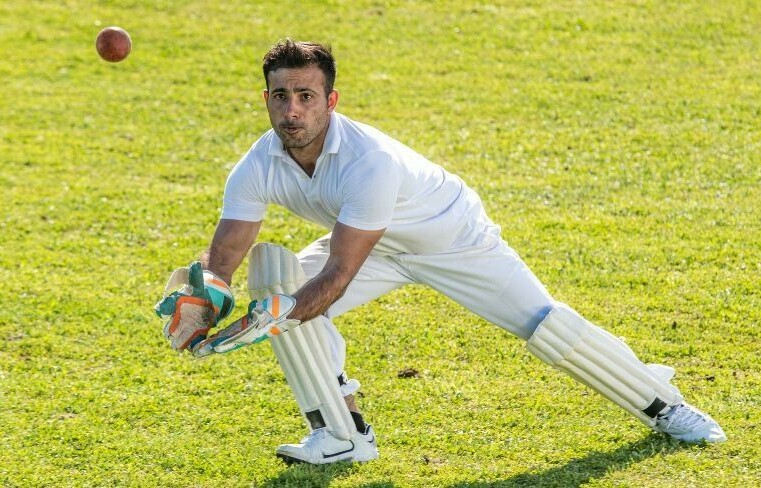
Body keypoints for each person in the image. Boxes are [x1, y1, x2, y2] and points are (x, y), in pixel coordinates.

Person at [156, 39, 726, 465]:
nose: (292, 111)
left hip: (451, 239)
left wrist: (272, 319)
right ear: (267, 99)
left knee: (545, 327)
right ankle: (341, 432)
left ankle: (664, 404)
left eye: (306, 96)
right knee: (282, 293)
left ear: (330, 100)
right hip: (371, 245)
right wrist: (204, 295)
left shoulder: (367, 160)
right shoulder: (259, 162)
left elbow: (338, 273)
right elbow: (226, 252)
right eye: (281, 96)